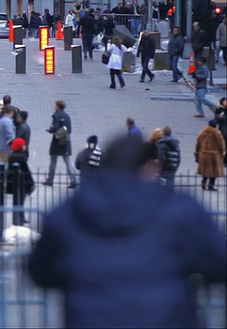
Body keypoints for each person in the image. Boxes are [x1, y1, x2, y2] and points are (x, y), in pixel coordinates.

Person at [29, 135, 227, 328]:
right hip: (166, 318)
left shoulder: (68, 212)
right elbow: (218, 262)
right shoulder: (180, 208)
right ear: (148, 167)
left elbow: (41, 272)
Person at [41, 100, 78, 189]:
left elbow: (55, 127)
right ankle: (73, 180)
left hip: (57, 141)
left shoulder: (56, 115)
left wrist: (50, 130)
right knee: (68, 161)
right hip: (65, 141)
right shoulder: (67, 116)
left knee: (53, 161)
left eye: (55, 105)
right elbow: (69, 129)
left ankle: (50, 180)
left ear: (58, 106)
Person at [6, 138, 34, 226]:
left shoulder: (11, 156)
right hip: (22, 182)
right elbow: (26, 171)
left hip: (14, 182)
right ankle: (19, 219)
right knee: (20, 201)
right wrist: (31, 182)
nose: (25, 146)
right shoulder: (22, 157)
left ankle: (20, 218)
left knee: (18, 201)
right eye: (24, 145)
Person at [195, 120, 225, 191]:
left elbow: (198, 142)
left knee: (205, 170)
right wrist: (222, 153)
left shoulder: (203, 132)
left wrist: (197, 151)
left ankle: (203, 182)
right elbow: (221, 144)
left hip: (204, 154)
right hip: (214, 155)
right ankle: (211, 185)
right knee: (213, 171)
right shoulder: (217, 133)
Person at [215, 97, 227, 165]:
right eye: (225, 101)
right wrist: (219, 117)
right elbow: (216, 120)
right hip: (223, 130)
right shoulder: (220, 110)